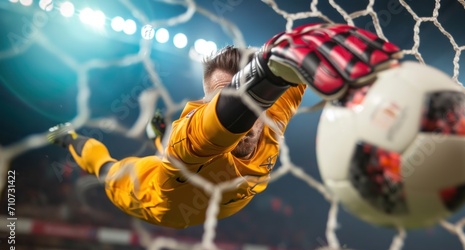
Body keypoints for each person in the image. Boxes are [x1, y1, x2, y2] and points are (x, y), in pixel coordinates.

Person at [47, 24, 401, 229]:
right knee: (105, 167)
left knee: (175, 151)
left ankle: (157, 136)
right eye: (223, 97)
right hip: (151, 194)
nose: (251, 115)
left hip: (189, 171)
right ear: (206, 104)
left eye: (257, 99)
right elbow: (225, 117)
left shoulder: (275, 108)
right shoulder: (197, 132)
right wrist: (267, 69)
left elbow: (313, 50)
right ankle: (69, 137)